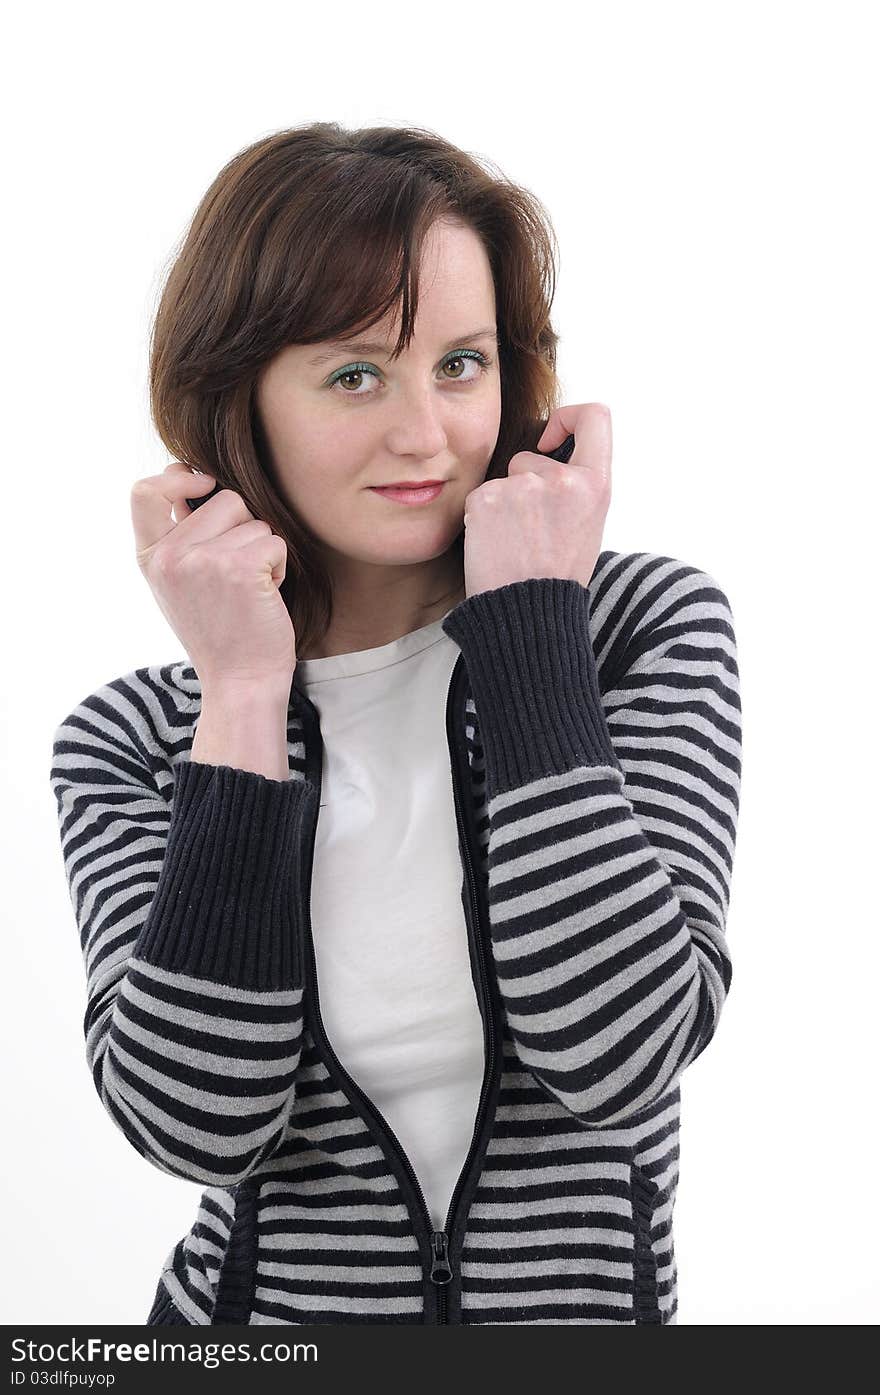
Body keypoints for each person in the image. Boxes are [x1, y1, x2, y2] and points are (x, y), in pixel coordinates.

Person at [49, 122, 742, 1326]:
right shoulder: (136, 739)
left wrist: (530, 623)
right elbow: (193, 1123)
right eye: (355, 373)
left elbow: (622, 1047)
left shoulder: (633, 629)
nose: (427, 434)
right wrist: (245, 696)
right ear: (237, 405)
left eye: (461, 364)